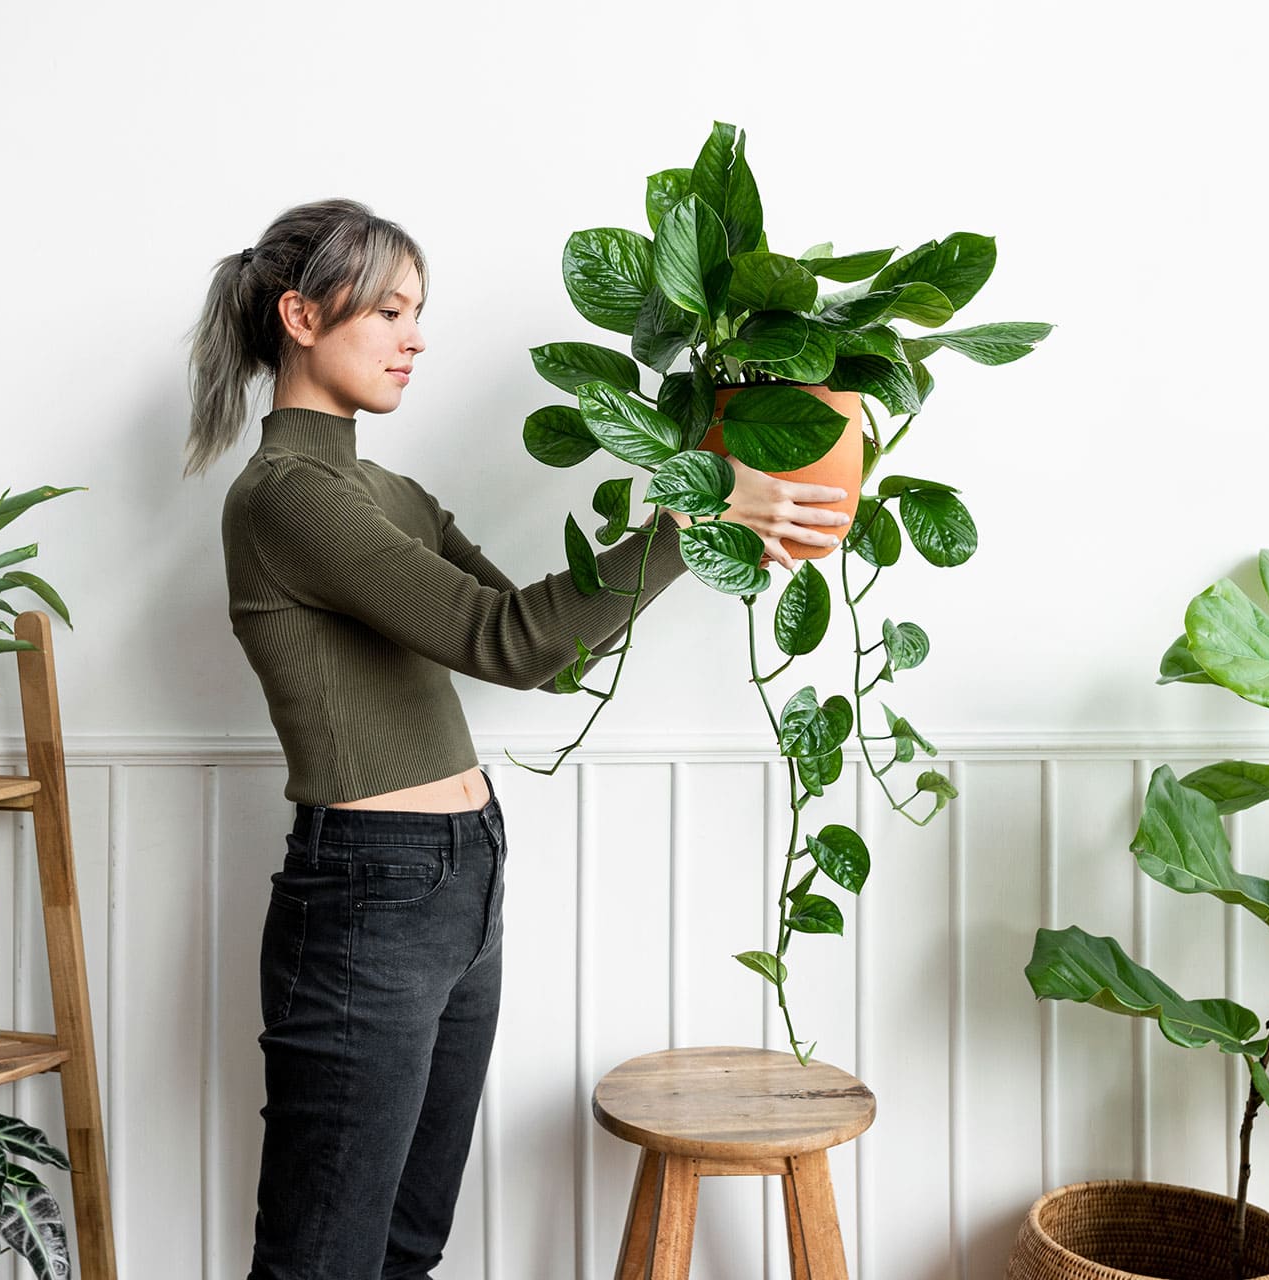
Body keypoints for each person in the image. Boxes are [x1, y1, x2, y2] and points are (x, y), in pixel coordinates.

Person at [183, 197, 851, 1280]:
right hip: (368, 898)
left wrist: (710, 519)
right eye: (389, 309)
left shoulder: (390, 491)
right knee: (323, 1259)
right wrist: (689, 517)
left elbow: (559, 651)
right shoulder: (287, 498)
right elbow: (506, 641)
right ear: (300, 316)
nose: (416, 336)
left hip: (463, 880)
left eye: (419, 311)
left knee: (407, 1244)